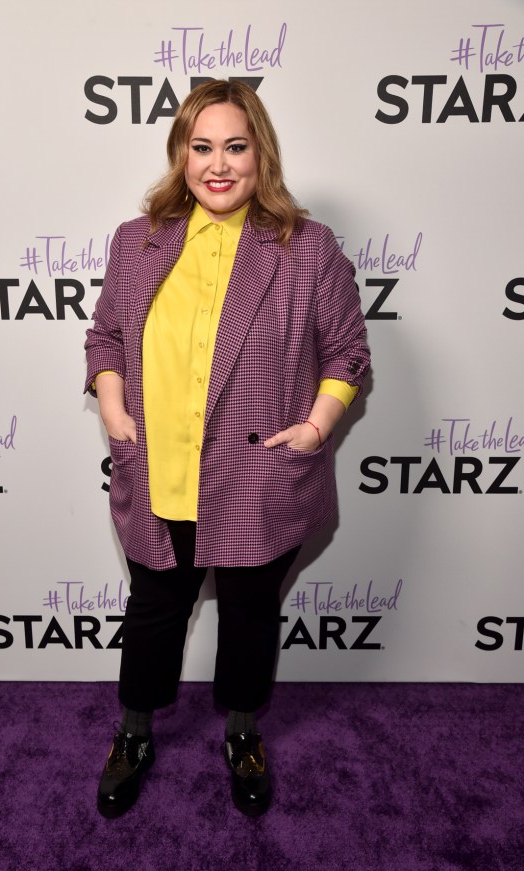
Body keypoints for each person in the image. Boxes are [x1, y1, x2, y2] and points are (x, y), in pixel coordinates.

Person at [84, 80, 370, 819]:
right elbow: (107, 335)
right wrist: (113, 403)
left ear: (260, 154)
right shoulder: (136, 240)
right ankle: (135, 731)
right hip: (162, 474)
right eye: (200, 146)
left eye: (234, 147)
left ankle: (243, 730)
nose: (217, 164)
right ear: (180, 154)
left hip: (259, 475)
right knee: (153, 610)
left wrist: (314, 428)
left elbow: (346, 353)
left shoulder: (307, 249)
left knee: (248, 615)